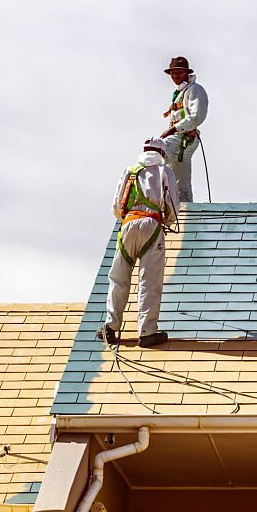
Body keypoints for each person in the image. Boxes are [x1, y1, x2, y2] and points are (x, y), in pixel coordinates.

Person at [99, 137, 180, 348]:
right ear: (162, 154)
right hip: (151, 225)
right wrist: (168, 219)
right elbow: (172, 205)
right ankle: (146, 332)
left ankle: (110, 328)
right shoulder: (164, 171)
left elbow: (117, 207)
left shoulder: (130, 171)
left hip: (128, 224)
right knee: (149, 281)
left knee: (118, 277)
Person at [159, 56, 208, 203]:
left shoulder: (194, 89)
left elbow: (197, 116)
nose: (175, 75)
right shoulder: (181, 91)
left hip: (184, 137)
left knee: (156, 153)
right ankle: (185, 206)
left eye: (178, 72)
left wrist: (173, 129)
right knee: (181, 178)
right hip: (181, 137)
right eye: (173, 73)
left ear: (187, 72)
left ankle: (151, 198)